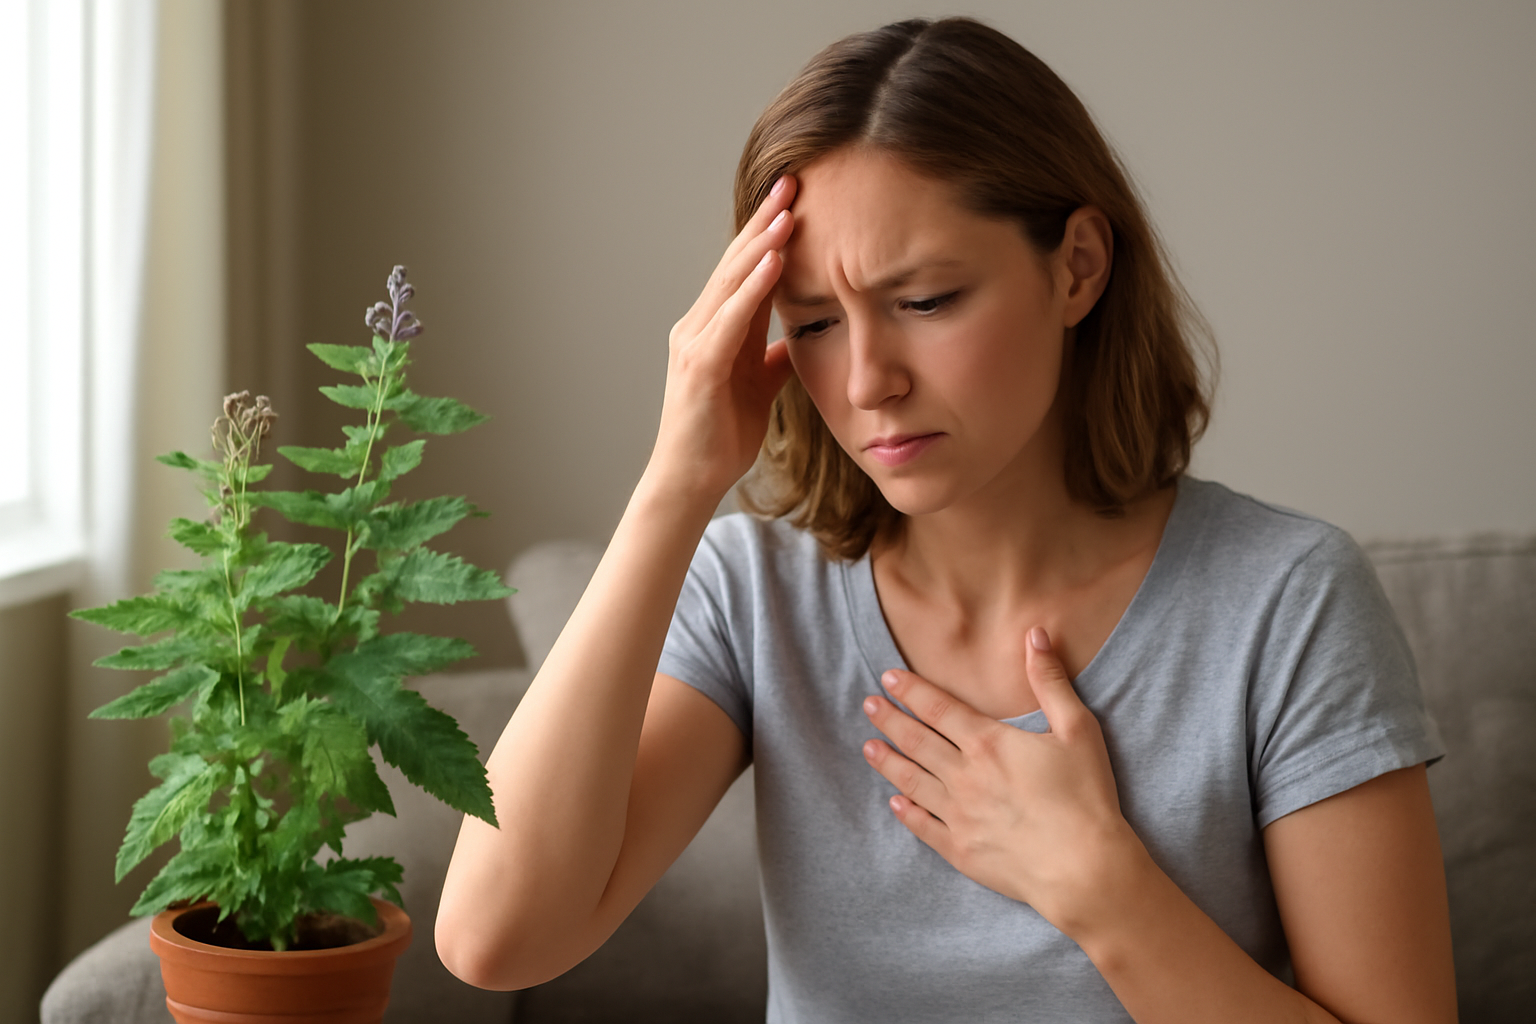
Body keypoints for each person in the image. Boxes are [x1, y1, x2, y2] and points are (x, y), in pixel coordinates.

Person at [437, 17, 1455, 1023]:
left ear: (1078, 267)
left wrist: (1102, 889)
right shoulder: (755, 592)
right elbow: (496, 939)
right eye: (816, 325)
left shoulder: (1286, 600)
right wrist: (676, 481)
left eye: (924, 300)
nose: (869, 380)